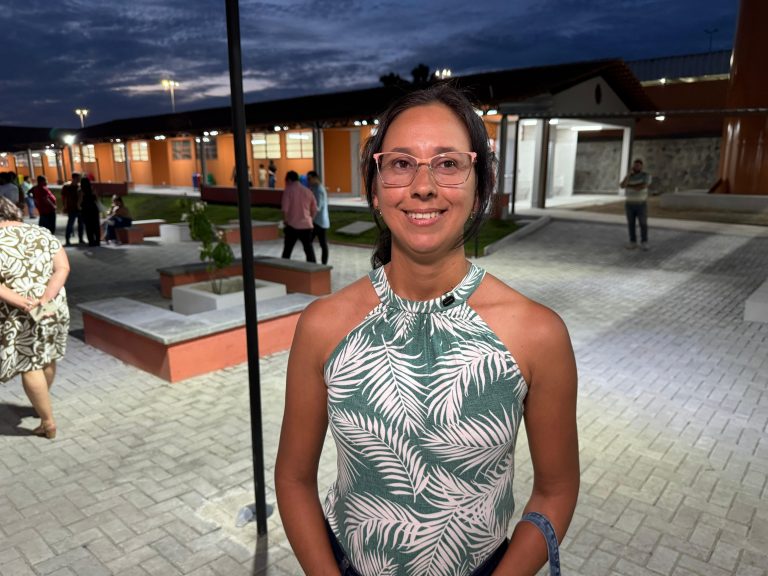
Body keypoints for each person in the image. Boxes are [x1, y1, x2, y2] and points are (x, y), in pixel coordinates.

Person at [275, 84, 579, 576]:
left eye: (448, 163)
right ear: (376, 190)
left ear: (480, 188)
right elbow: (292, 479)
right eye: (401, 163)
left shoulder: (536, 334)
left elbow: (556, 489)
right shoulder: (323, 325)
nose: (423, 186)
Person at [0, 196, 70, 439]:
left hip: (18, 311)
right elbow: (63, 267)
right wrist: (45, 299)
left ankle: (47, 422)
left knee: (29, 364)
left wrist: (25, 303)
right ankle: (42, 403)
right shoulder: (42, 233)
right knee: (47, 356)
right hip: (50, 307)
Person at [280, 170, 317, 262]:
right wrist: (311, 219)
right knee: (309, 251)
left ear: (289, 180)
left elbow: (285, 209)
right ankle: (313, 268)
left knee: (287, 251)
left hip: (292, 226)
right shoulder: (308, 191)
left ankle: (284, 268)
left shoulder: (288, 190)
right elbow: (314, 209)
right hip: (306, 225)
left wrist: (285, 222)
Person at [620, 158, 652, 250]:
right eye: (635, 165)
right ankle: (632, 241)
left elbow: (641, 186)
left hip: (641, 203)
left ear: (641, 167)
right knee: (631, 223)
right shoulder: (629, 176)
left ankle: (644, 242)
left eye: (638, 166)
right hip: (629, 203)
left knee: (643, 223)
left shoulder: (645, 175)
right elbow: (622, 185)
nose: (636, 167)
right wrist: (628, 176)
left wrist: (629, 186)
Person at [307, 170, 330, 264]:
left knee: (310, 242)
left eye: (309, 179)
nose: (308, 181)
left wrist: (310, 218)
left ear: (315, 178)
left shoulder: (319, 189)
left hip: (318, 222)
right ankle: (319, 263)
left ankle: (316, 263)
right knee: (320, 243)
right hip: (319, 221)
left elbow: (318, 207)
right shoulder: (316, 188)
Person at [62, 172, 84, 246]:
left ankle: (81, 238)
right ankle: (67, 239)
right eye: (78, 178)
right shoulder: (67, 187)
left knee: (80, 224)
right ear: (74, 178)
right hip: (71, 208)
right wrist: (65, 207)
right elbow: (64, 198)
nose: (79, 180)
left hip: (79, 208)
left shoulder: (79, 187)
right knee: (70, 223)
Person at [79, 177, 101, 247]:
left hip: (86, 210)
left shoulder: (81, 191)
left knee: (89, 226)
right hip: (94, 209)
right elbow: (97, 199)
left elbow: (80, 201)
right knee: (96, 225)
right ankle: (97, 241)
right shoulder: (92, 189)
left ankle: (91, 241)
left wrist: (79, 207)